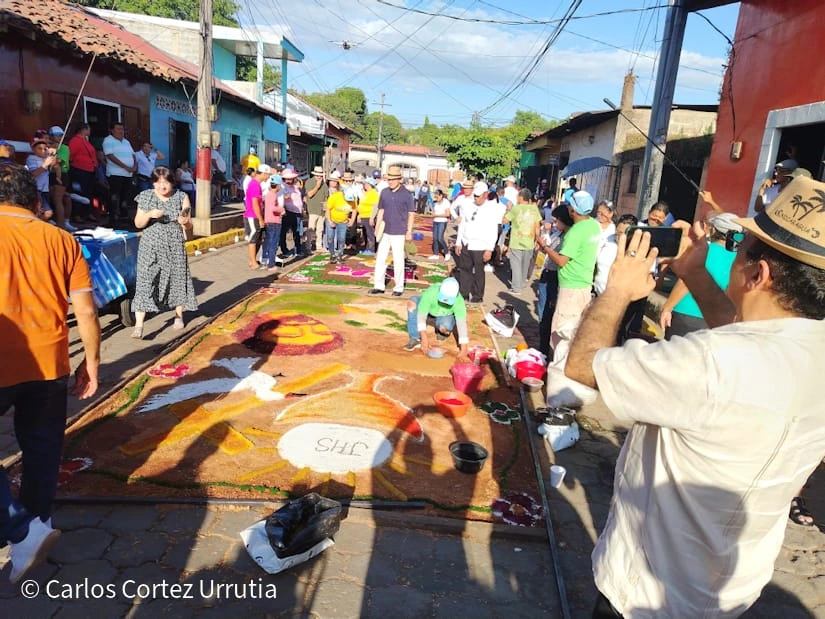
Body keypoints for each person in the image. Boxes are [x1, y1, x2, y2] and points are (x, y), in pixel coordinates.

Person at [565, 174, 825, 618]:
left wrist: (617, 291)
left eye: (739, 250)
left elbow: (582, 367)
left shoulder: (711, 361)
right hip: (732, 588)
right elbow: (749, 342)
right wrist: (695, 274)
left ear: (758, 273)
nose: (733, 256)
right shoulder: (796, 349)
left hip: (648, 590)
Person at [0, 163, 100, 583]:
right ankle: (32, 529)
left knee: (40, 451)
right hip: (48, 363)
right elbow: (86, 309)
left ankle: (24, 531)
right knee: (42, 452)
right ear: (36, 202)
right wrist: (92, 362)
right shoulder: (61, 240)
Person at [131, 167, 197, 338]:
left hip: (174, 243)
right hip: (150, 244)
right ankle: (139, 325)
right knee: (145, 279)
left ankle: (178, 315)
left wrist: (186, 222)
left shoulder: (182, 196)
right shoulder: (146, 196)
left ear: (172, 182)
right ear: (153, 183)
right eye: (158, 182)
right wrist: (150, 214)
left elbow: (188, 225)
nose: (162, 186)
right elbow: (138, 223)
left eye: (166, 182)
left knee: (178, 277)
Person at [659, 213, 741, 339]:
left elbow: (684, 284)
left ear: (714, 230)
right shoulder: (739, 259)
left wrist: (667, 307)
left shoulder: (703, 250)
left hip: (686, 313)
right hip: (715, 319)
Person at [544, 190, 601, 356]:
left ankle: (557, 368)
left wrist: (545, 248)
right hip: (584, 284)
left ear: (572, 210)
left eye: (569, 204)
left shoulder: (575, 232)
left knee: (560, 333)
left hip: (571, 287)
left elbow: (562, 261)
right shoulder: (593, 225)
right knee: (576, 330)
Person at [370, 165, 415, 297]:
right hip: (385, 230)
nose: (391, 181)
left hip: (399, 231)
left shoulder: (406, 194)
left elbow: (411, 213)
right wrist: (377, 227)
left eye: (393, 179)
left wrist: (409, 231)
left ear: (400, 179)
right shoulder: (384, 192)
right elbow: (381, 210)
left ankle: (399, 287)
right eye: (389, 179)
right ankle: (378, 285)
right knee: (380, 258)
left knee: (398, 258)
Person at [535, 204, 574, 358]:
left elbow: (560, 260)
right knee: (542, 312)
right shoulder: (558, 233)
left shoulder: (569, 238)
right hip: (546, 274)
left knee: (550, 314)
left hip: (555, 278)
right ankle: (542, 348)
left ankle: (550, 350)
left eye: (557, 221)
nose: (554, 224)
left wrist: (546, 248)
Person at [402, 277, 471, 359]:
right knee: (412, 303)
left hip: (444, 315)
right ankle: (415, 338)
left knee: (446, 326)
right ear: (439, 291)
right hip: (430, 311)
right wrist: (424, 338)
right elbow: (421, 316)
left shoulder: (459, 301)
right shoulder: (431, 292)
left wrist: (464, 349)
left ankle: (441, 331)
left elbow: (461, 324)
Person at [453, 181, 500, 303]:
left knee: (479, 272)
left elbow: (493, 231)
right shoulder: (469, 205)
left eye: (478, 196)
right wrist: (458, 242)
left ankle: (478, 295)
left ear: (485, 194)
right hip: (466, 242)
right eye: (474, 195)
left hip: (481, 245)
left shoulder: (491, 208)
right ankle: (464, 293)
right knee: (464, 269)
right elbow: (463, 224)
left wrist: (489, 249)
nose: (475, 198)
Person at [504, 188, 542, 295]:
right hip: (529, 241)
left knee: (516, 264)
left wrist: (508, 209)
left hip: (517, 240)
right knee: (525, 264)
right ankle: (521, 284)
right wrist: (537, 239)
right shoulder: (534, 209)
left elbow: (505, 220)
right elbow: (537, 226)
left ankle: (516, 288)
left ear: (521, 197)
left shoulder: (515, 209)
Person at [102, 121, 136, 222]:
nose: (121, 131)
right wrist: (125, 167)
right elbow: (110, 156)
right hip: (115, 174)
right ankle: (114, 218)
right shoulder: (108, 140)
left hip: (128, 174)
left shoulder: (126, 141)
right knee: (115, 196)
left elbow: (133, 155)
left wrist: (134, 166)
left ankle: (124, 216)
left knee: (125, 196)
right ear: (112, 130)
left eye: (122, 129)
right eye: (118, 129)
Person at [67, 123, 98, 221]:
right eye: (88, 129)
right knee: (78, 193)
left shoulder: (85, 141)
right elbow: (71, 155)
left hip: (89, 170)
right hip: (79, 170)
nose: (90, 131)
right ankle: (77, 215)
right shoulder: (75, 141)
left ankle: (87, 213)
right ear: (84, 129)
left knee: (88, 193)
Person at [25, 134, 58, 223]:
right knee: (47, 213)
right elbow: (33, 174)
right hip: (37, 189)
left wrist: (53, 155)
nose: (43, 151)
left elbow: (55, 165)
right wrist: (45, 165)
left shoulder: (45, 158)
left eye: (45, 148)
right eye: (40, 148)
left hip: (45, 190)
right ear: (33, 149)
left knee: (41, 212)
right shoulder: (31, 159)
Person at [243, 165, 270, 270]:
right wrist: (260, 218)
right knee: (253, 238)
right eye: (267, 175)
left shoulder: (257, 184)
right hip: (252, 215)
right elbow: (255, 204)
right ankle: (252, 262)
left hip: (255, 214)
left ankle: (253, 259)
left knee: (258, 239)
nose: (268, 177)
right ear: (263, 174)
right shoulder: (254, 185)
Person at [325, 176, 357, 263]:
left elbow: (354, 210)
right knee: (330, 238)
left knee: (342, 238)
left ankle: (340, 255)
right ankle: (332, 254)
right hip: (332, 218)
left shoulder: (353, 199)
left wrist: (352, 220)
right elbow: (328, 209)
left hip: (343, 221)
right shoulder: (335, 197)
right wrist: (330, 221)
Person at [279, 168, 304, 257]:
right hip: (288, 212)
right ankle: (284, 250)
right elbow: (281, 198)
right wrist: (285, 197)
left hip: (297, 212)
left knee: (297, 232)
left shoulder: (295, 187)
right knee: (284, 232)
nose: (289, 180)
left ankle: (298, 250)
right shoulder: (282, 187)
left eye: (291, 178)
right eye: (287, 179)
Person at [262, 174, 285, 272]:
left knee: (269, 242)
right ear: (278, 185)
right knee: (273, 243)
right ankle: (271, 264)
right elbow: (272, 208)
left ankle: (266, 261)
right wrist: (281, 209)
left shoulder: (268, 194)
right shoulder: (272, 195)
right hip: (274, 221)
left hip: (269, 220)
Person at [304, 166, 327, 252]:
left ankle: (319, 246)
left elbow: (326, 197)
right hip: (313, 209)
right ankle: (308, 246)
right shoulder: (309, 182)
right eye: (317, 175)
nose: (319, 177)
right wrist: (317, 186)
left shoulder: (324, 184)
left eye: (320, 175)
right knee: (311, 229)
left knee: (320, 229)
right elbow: (309, 194)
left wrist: (325, 207)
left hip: (321, 210)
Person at [358, 176, 379, 255]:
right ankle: (367, 248)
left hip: (369, 216)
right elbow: (361, 204)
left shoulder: (374, 193)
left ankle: (371, 249)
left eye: (366, 184)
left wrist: (372, 217)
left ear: (370, 185)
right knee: (365, 233)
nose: (364, 185)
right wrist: (360, 215)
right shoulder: (366, 193)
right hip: (364, 216)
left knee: (370, 233)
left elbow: (375, 206)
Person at [430, 188, 451, 261]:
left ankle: (447, 252)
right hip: (435, 221)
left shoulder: (446, 202)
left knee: (440, 238)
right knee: (435, 238)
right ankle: (436, 254)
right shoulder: (435, 202)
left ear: (441, 195)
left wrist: (436, 215)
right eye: (435, 197)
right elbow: (433, 212)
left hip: (442, 221)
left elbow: (447, 214)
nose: (436, 198)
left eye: (437, 197)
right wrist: (433, 214)